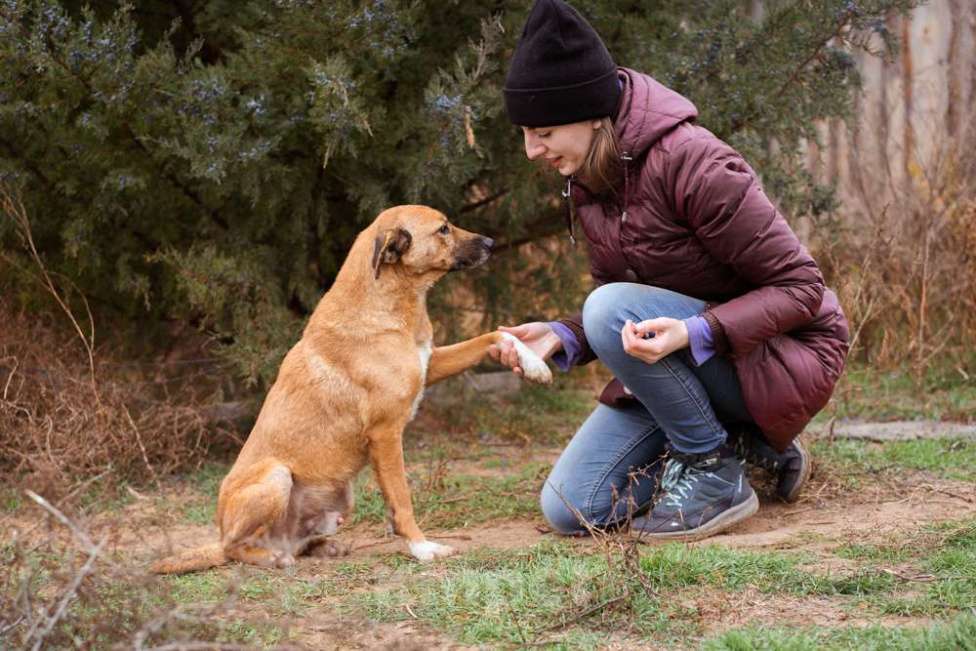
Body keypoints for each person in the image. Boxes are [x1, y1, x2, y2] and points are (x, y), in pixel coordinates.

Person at [489, 0, 849, 541]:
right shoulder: (593, 176)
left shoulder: (695, 164)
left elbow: (802, 288)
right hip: (692, 358)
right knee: (572, 506)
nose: (530, 150)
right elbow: (631, 298)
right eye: (524, 132)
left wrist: (694, 332)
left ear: (592, 114)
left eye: (542, 131)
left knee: (606, 306)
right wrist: (562, 337)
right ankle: (750, 442)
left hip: (782, 354)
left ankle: (712, 467)